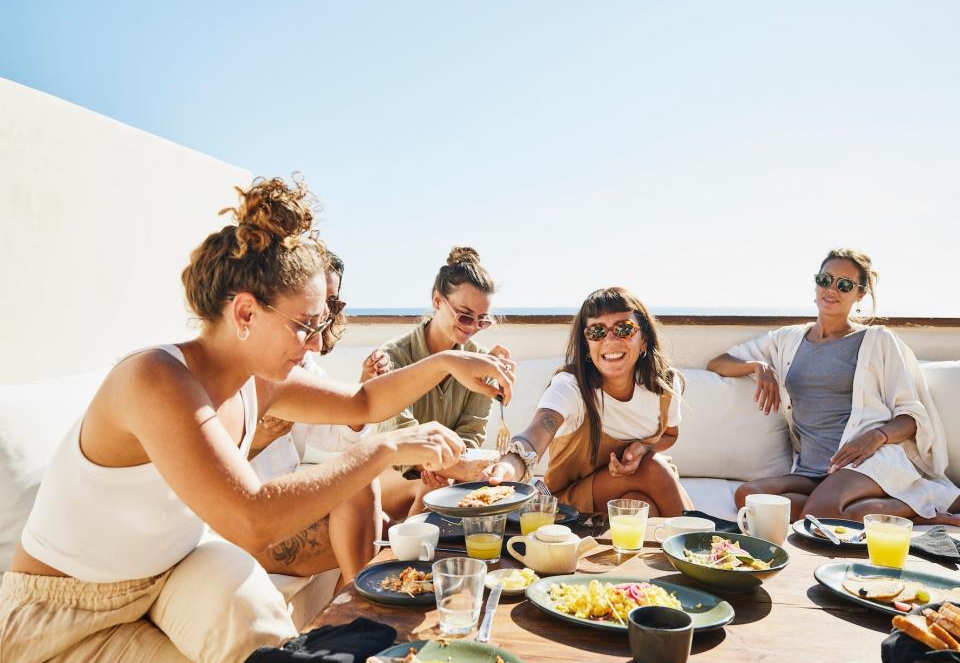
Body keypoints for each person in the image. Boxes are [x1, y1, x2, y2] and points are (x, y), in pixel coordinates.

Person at [0, 177, 514, 663]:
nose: (315, 341)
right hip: (65, 613)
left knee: (270, 645)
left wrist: (449, 360)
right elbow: (251, 518)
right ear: (245, 312)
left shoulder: (258, 382)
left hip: (169, 573)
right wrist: (382, 447)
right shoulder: (154, 379)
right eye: (305, 325)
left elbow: (364, 401)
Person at [707, 248, 960, 524]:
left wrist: (877, 437)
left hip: (866, 461)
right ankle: (897, 507)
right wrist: (757, 365)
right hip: (811, 470)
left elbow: (911, 416)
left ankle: (927, 511)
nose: (831, 289)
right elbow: (718, 362)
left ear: (859, 294)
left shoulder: (878, 341)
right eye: (825, 279)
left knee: (818, 515)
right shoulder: (788, 339)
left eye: (844, 285)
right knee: (750, 498)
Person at [246, 250, 390, 583]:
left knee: (373, 511)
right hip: (245, 524)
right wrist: (261, 437)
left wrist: (361, 394)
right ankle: (359, 611)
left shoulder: (306, 369)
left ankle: (345, 618)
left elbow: (333, 436)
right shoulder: (245, 371)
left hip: (282, 509)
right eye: (311, 313)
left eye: (333, 306)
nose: (322, 320)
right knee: (374, 523)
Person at [495, 287, 692, 517]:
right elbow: (536, 434)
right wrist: (509, 466)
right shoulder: (570, 387)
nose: (610, 339)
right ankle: (707, 545)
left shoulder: (663, 385)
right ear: (587, 345)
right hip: (573, 500)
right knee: (653, 468)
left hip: (642, 489)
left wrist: (644, 447)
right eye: (596, 331)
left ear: (644, 339)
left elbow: (669, 434)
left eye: (624, 329)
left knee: (636, 504)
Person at [376, 246, 514, 521]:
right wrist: (452, 467)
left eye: (482, 320)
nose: (471, 327)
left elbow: (472, 433)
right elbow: (400, 437)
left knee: (447, 487)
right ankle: (405, 561)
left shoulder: (482, 360)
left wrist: (446, 466)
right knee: (436, 489)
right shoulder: (393, 356)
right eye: (464, 316)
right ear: (437, 301)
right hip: (389, 473)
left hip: (445, 472)